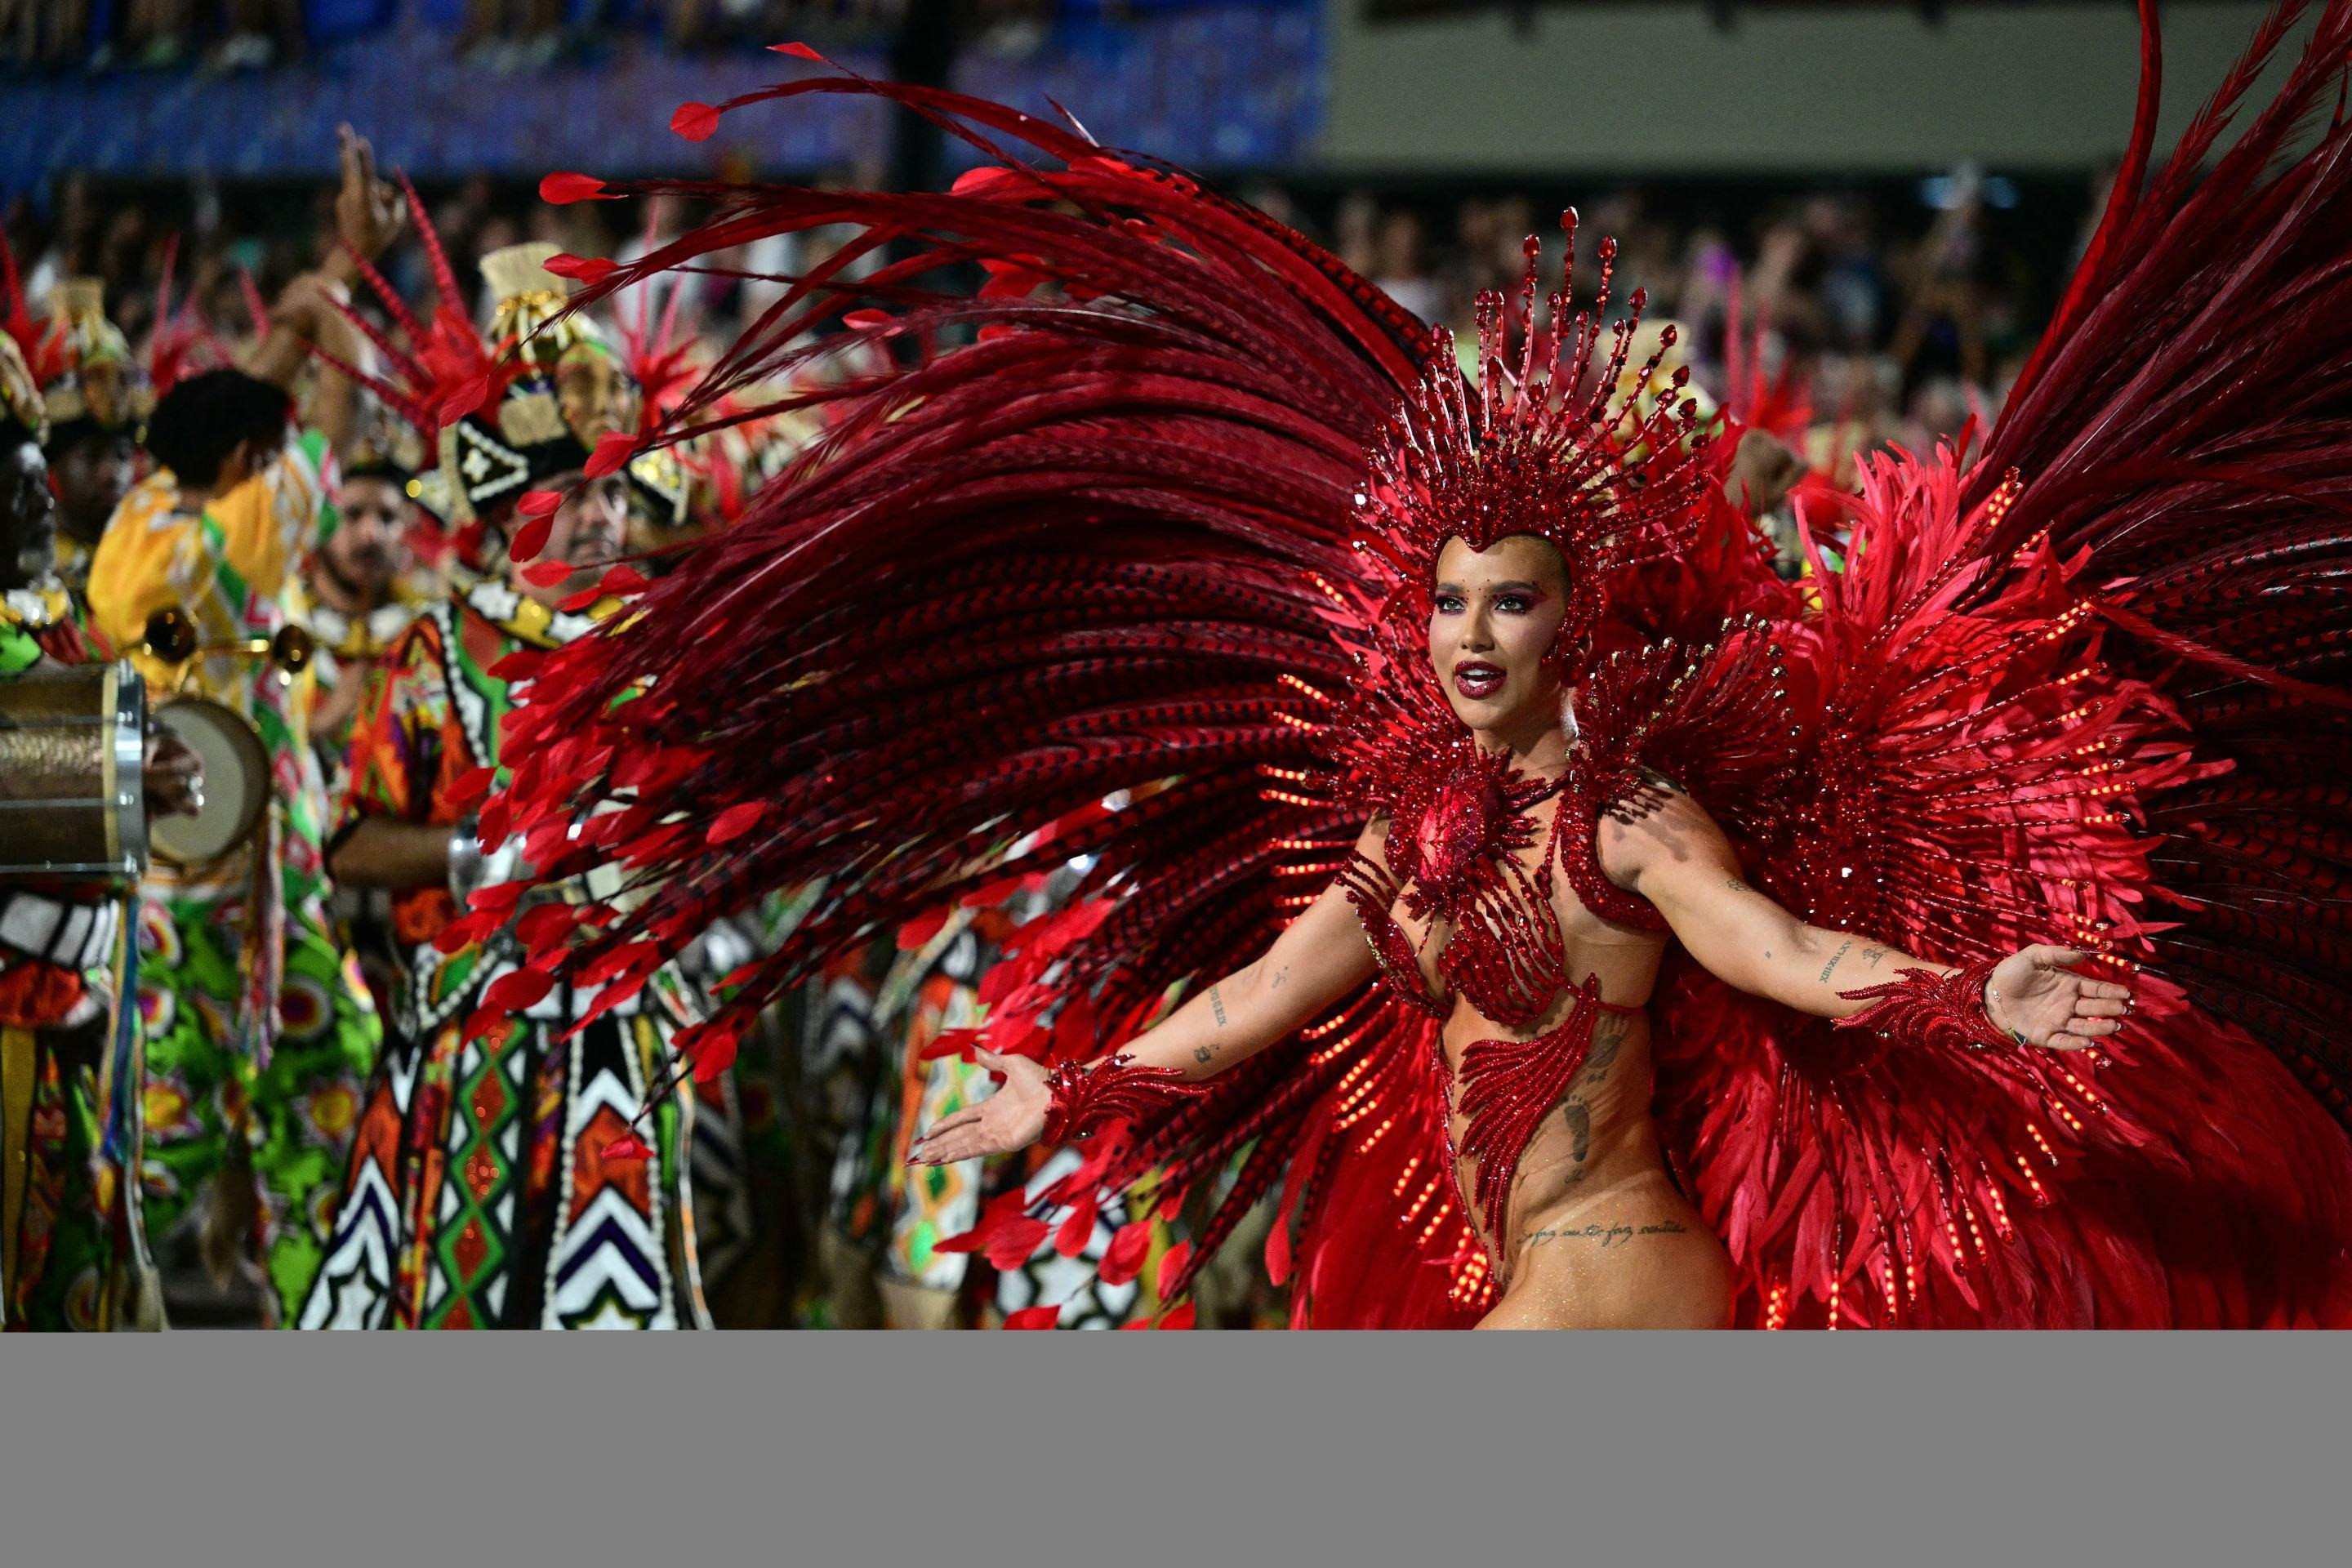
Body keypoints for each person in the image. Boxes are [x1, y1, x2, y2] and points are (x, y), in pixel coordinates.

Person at [487, 7, 2352, 1330]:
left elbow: (1785, 959)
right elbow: (1255, 999)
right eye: (1449, 602)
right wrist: (1073, 1090)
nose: (1469, 636)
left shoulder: (1633, 814)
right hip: (1513, 1276)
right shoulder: (1408, 832)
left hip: (1616, 1283)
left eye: (1511, 604)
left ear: (1568, 620)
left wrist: (1974, 998)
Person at [298, 242, 711, 1330]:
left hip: (624, 1040)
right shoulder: (436, 656)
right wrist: (477, 859)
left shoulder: (658, 653)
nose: (601, 515)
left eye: (615, 488)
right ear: (505, 512)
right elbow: (348, 848)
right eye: (572, 492)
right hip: (471, 1043)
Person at [82, 127, 400, 1324]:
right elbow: (331, 408)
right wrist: (343, 306)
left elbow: (241, 405)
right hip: (251, 917)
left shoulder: (142, 527)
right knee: (327, 1112)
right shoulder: (234, 549)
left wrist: (330, 272)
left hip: (165, 915)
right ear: (250, 464)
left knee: (146, 1164)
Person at [0, 333, 198, 1330]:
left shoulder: (48, 622)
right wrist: (122, 770)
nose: (37, 502)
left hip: (61, 1022)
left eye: (41, 479)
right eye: (14, 484)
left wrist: (147, 761)